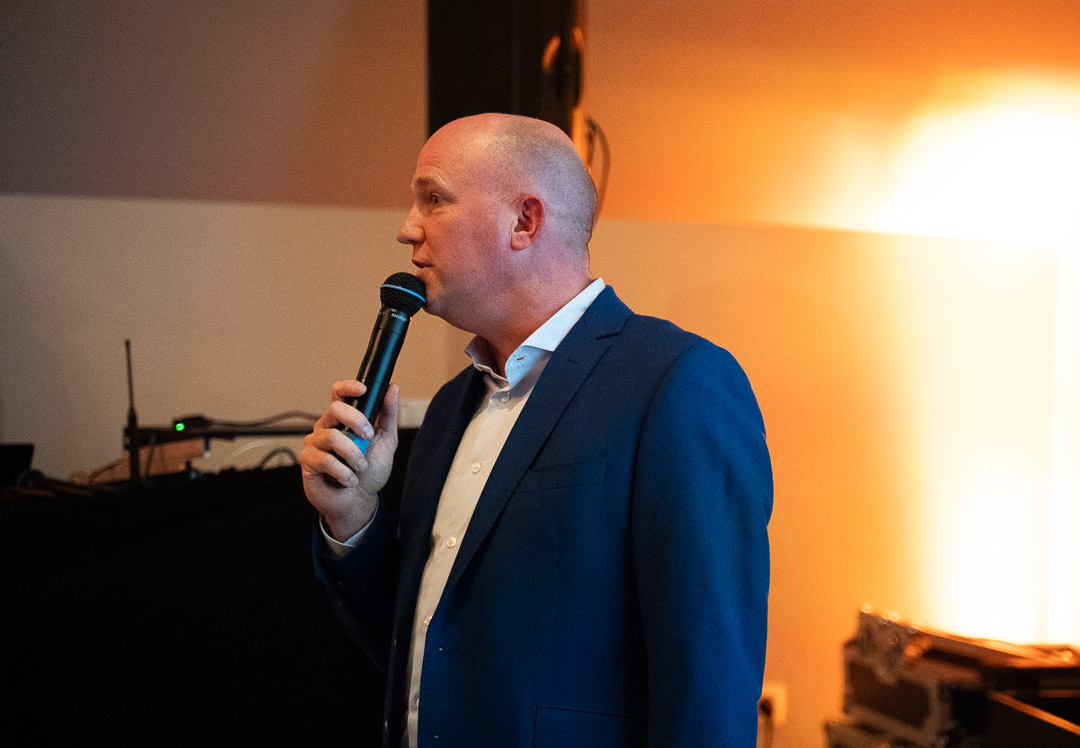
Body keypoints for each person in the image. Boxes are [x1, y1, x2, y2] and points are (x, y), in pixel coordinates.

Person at [300, 113, 772, 747]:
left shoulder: (676, 383)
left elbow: (707, 685)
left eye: (433, 199)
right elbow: (425, 652)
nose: (407, 228)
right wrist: (354, 516)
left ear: (525, 221)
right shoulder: (450, 408)